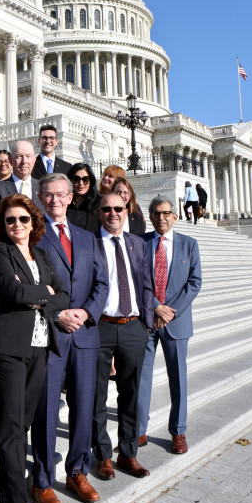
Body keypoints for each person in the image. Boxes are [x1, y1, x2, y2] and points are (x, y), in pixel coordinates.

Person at [0, 193, 69, 503]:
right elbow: (10, 292)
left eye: (23, 219)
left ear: (34, 223)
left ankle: (6, 490)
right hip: (8, 351)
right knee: (11, 429)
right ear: (2, 225)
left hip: (39, 348)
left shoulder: (43, 255)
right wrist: (41, 292)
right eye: (10, 220)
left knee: (25, 423)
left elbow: (63, 295)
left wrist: (39, 293)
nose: (17, 225)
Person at [30, 174, 108, 503]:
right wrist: (58, 313)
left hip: (86, 334)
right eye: (48, 195)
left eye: (61, 194)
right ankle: (43, 480)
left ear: (70, 196)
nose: (55, 201)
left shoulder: (88, 237)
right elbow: (30, 285)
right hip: (51, 334)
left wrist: (86, 313)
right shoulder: (32, 236)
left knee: (83, 405)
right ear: (40, 197)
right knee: (46, 409)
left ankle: (77, 471)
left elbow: (102, 284)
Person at [92, 192, 153, 480]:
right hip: (100, 326)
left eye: (118, 208)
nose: (113, 213)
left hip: (133, 326)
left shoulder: (138, 243)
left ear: (127, 210)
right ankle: (102, 455)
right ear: (99, 212)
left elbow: (147, 284)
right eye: (107, 209)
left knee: (131, 393)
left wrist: (146, 324)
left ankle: (128, 454)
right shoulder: (89, 243)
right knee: (97, 395)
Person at [138, 198, 202, 454]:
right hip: (147, 321)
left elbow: (194, 282)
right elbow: (136, 279)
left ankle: (178, 431)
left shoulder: (189, 244)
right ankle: (139, 429)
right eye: (156, 213)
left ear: (175, 216)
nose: (161, 217)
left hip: (176, 321)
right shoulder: (141, 243)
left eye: (166, 213)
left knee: (178, 378)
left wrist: (169, 313)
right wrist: (155, 306)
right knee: (142, 378)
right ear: (150, 218)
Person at [0, 140, 43, 213]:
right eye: (19, 156)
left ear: (34, 160)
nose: (24, 161)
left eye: (28, 156)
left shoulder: (43, 187)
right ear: (10, 160)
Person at [66, 162, 101, 233]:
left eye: (85, 179)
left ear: (91, 181)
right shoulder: (64, 202)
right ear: (70, 180)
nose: (81, 183)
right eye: (76, 179)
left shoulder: (99, 204)